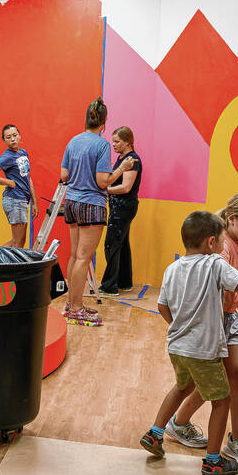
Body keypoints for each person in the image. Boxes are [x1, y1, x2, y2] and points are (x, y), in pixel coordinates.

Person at [139, 211, 238, 475]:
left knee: (182, 387)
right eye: (222, 241)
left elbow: (162, 306)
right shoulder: (215, 263)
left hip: (177, 346)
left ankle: (155, 433)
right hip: (203, 349)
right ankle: (213, 461)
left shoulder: (172, 268)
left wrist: (179, 327)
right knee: (222, 400)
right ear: (212, 242)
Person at [59, 98, 134, 325]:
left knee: (75, 256)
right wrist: (122, 168)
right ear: (104, 122)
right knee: (84, 258)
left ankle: (72, 304)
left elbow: (64, 175)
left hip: (71, 202)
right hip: (91, 205)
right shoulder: (101, 145)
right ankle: (76, 308)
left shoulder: (73, 141)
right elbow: (103, 181)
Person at [98, 126, 143, 297]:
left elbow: (125, 187)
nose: (114, 144)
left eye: (117, 141)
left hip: (123, 208)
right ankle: (125, 282)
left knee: (112, 244)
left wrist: (104, 190)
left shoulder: (132, 160)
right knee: (122, 244)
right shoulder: (121, 159)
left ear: (127, 142)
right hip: (119, 207)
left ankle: (109, 286)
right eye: (113, 141)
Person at [0, 123, 32, 248]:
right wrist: (8, 182)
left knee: (19, 242)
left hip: (22, 200)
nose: (13, 139)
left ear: (20, 136)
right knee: (17, 243)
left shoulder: (23, 153)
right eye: (8, 137)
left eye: (15, 135)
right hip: (14, 200)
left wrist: (34, 202)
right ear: (4, 140)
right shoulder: (8, 156)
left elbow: (28, 177)